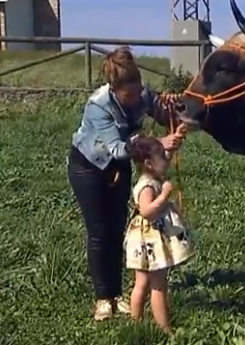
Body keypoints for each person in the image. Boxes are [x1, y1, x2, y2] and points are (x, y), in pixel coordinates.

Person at [66, 46, 187, 321]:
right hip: (90, 167)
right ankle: (102, 298)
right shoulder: (99, 105)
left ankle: (117, 294)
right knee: (99, 231)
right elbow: (118, 149)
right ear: (114, 88)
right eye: (128, 95)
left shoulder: (140, 95)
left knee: (119, 228)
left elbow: (161, 110)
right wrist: (157, 143)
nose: (134, 100)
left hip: (117, 169)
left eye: (138, 90)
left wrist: (176, 120)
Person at [124, 134, 192, 332]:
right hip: (149, 240)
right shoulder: (147, 186)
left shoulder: (151, 175)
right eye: (162, 157)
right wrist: (163, 196)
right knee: (158, 285)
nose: (166, 161)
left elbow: (164, 160)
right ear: (149, 163)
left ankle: (135, 323)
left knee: (142, 282)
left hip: (145, 239)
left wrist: (173, 144)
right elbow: (146, 211)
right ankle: (165, 328)